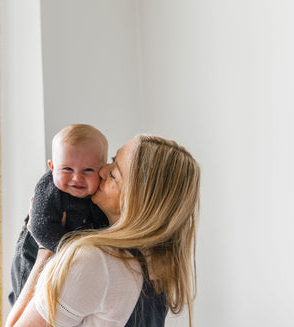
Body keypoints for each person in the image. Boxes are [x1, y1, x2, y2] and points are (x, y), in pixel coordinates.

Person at [11, 135, 201, 327]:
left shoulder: (96, 260)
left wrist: (45, 251)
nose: (102, 171)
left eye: (113, 174)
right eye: (111, 161)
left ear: (135, 200)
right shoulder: (160, 268)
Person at [7, 124, 109, 323]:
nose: (77, 177)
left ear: (102, 170)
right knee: (28, 293)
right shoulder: (49, 188)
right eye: (67, 169)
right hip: (34, 251)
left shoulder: (98, 195)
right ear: (52, 167)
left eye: (88, 170)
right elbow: (40, 227)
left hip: (65, 257)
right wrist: (75, 253)